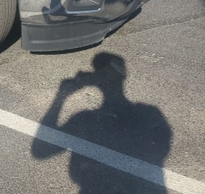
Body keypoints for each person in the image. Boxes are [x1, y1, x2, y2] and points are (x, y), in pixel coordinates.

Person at [32, 53, 172, 193]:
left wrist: (61, 96)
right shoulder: (149, 113)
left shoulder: (84, 119)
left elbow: (40, 151)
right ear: (124, 75)